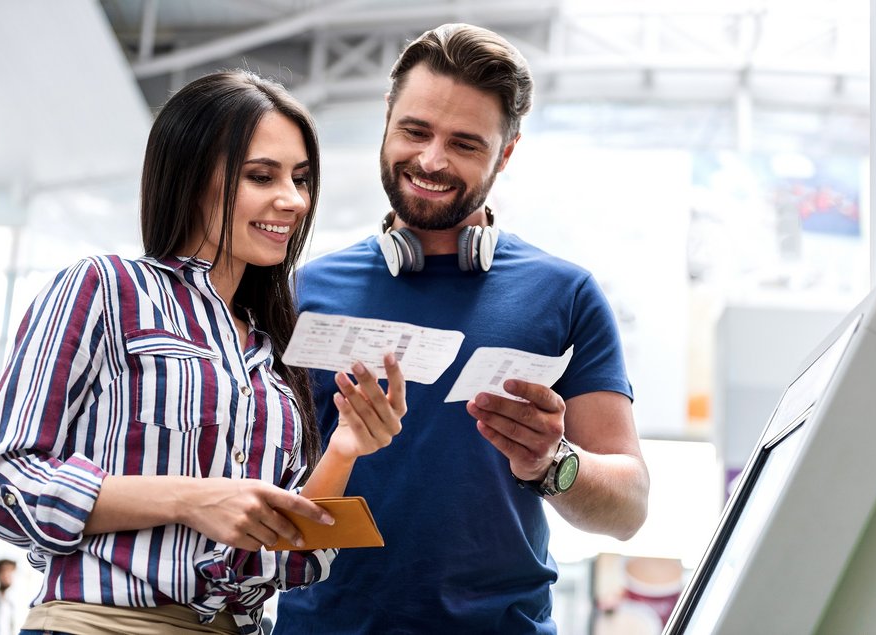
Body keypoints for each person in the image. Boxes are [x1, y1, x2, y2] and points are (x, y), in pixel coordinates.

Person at [0, 70, 406, 635]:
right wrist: (188, 500)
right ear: (192, 178)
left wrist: (345, 448)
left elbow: (295, 560)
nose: (292, 200)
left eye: (300, 178)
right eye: (261, 176)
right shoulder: (105, 288)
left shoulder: (274, 349)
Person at [274, 23, 650, 634]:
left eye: (465, 144)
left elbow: (628, 510)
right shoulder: (301, 292)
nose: (431, 160)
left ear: (506, 153)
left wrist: (552, 462)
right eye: (415, 131)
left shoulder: (565, 295)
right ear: (387, 119)